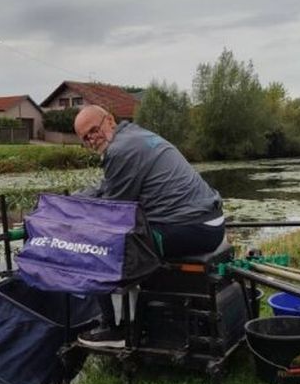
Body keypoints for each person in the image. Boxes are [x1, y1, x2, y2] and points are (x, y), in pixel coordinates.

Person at [73, 104, 225, 346]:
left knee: (98, 247)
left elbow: (114, 211)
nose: (92, 139)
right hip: (211, 221)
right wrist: (75, 199)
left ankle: (115, 330)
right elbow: (108, 188)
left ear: (109, 120)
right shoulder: (136, 136)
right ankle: (134, 314)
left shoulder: (120, 150)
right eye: (85, 137)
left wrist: (76, 222)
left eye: (94, 130)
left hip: (189, 228)